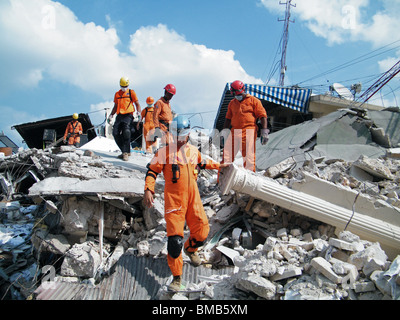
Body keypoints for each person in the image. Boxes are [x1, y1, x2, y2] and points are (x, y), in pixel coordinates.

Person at [143, 115, 230, 292]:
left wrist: (219, 166)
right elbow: (152, 171)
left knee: (203, 230)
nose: (180, 140)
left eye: (183, 136)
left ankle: (190, 249)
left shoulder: (192, 150)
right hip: (174, 201)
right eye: (177, 136)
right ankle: (176, 278)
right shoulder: (164, 153)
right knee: (174, 242)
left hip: (193, 198)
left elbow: (203, 162)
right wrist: (148, 190)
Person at [221, 80, 269, 173]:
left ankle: (249, 182)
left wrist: (265, 131)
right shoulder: (232, 103)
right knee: (227, 156)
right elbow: (227, 119)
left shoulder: (254, 101)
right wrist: (224, 133)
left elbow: (263, 116)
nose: (237, 96)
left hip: (249, 130)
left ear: (243, 90)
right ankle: (221, 181)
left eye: (238, 93)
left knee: (248, 158)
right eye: (235, 94)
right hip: (234, 131)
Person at [108, 77, 142, 161]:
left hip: (128, 115)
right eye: (122, 86)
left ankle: (126, 153)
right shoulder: (117, 94)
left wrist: (139, 112)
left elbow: (137, 104)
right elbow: (115, 106)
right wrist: (111, 115)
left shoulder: (131, 93)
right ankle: (124, 150)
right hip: (119, 115)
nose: (124, 88)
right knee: (115, 132)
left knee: (126, 131)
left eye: (126, 86)